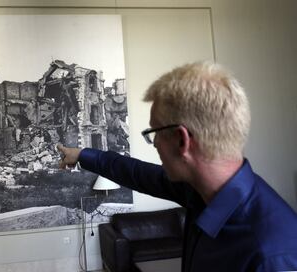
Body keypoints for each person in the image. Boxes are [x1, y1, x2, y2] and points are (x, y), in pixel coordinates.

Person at [57, 61, 297, 272]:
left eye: (154, 133)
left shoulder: (273, 255)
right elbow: (137, 173)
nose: (155, 144)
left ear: (182, 140)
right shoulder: (199, 191)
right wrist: (81, 154)